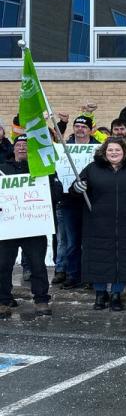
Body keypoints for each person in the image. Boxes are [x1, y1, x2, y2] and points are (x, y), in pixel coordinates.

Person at [72, 137, 126, 311]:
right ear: (104, 152)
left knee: (122, 259)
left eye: (117, 150)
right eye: (110, 150)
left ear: (125, 152)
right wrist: (77, 188)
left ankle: (116, 294)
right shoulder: (92, 169)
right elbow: (76, 188)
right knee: (99, 258)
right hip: (97, 222)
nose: (114, 153)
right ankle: (100, 294)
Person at [0, 136, 63, 318]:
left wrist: (46, 191)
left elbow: (57, 194)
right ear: (13, 149)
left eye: (26, 146)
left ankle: (41, 299)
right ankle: (3, 300)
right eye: (18, 145)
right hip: (8, 227)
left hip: (34, 226)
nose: (22, 148)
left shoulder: (44, 171)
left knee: (37, 265)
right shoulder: (2, 170)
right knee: (3, 265)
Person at [53, 114, 100, 289]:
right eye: (77, 126)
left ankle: (91, 276)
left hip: (92, 200)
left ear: (90, 129)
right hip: (69, 200)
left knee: (91, 241)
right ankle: (73, 275)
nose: (80, 129)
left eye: (84, 127)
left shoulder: (98, 148)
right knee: (72, 242)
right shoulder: (64, 147)